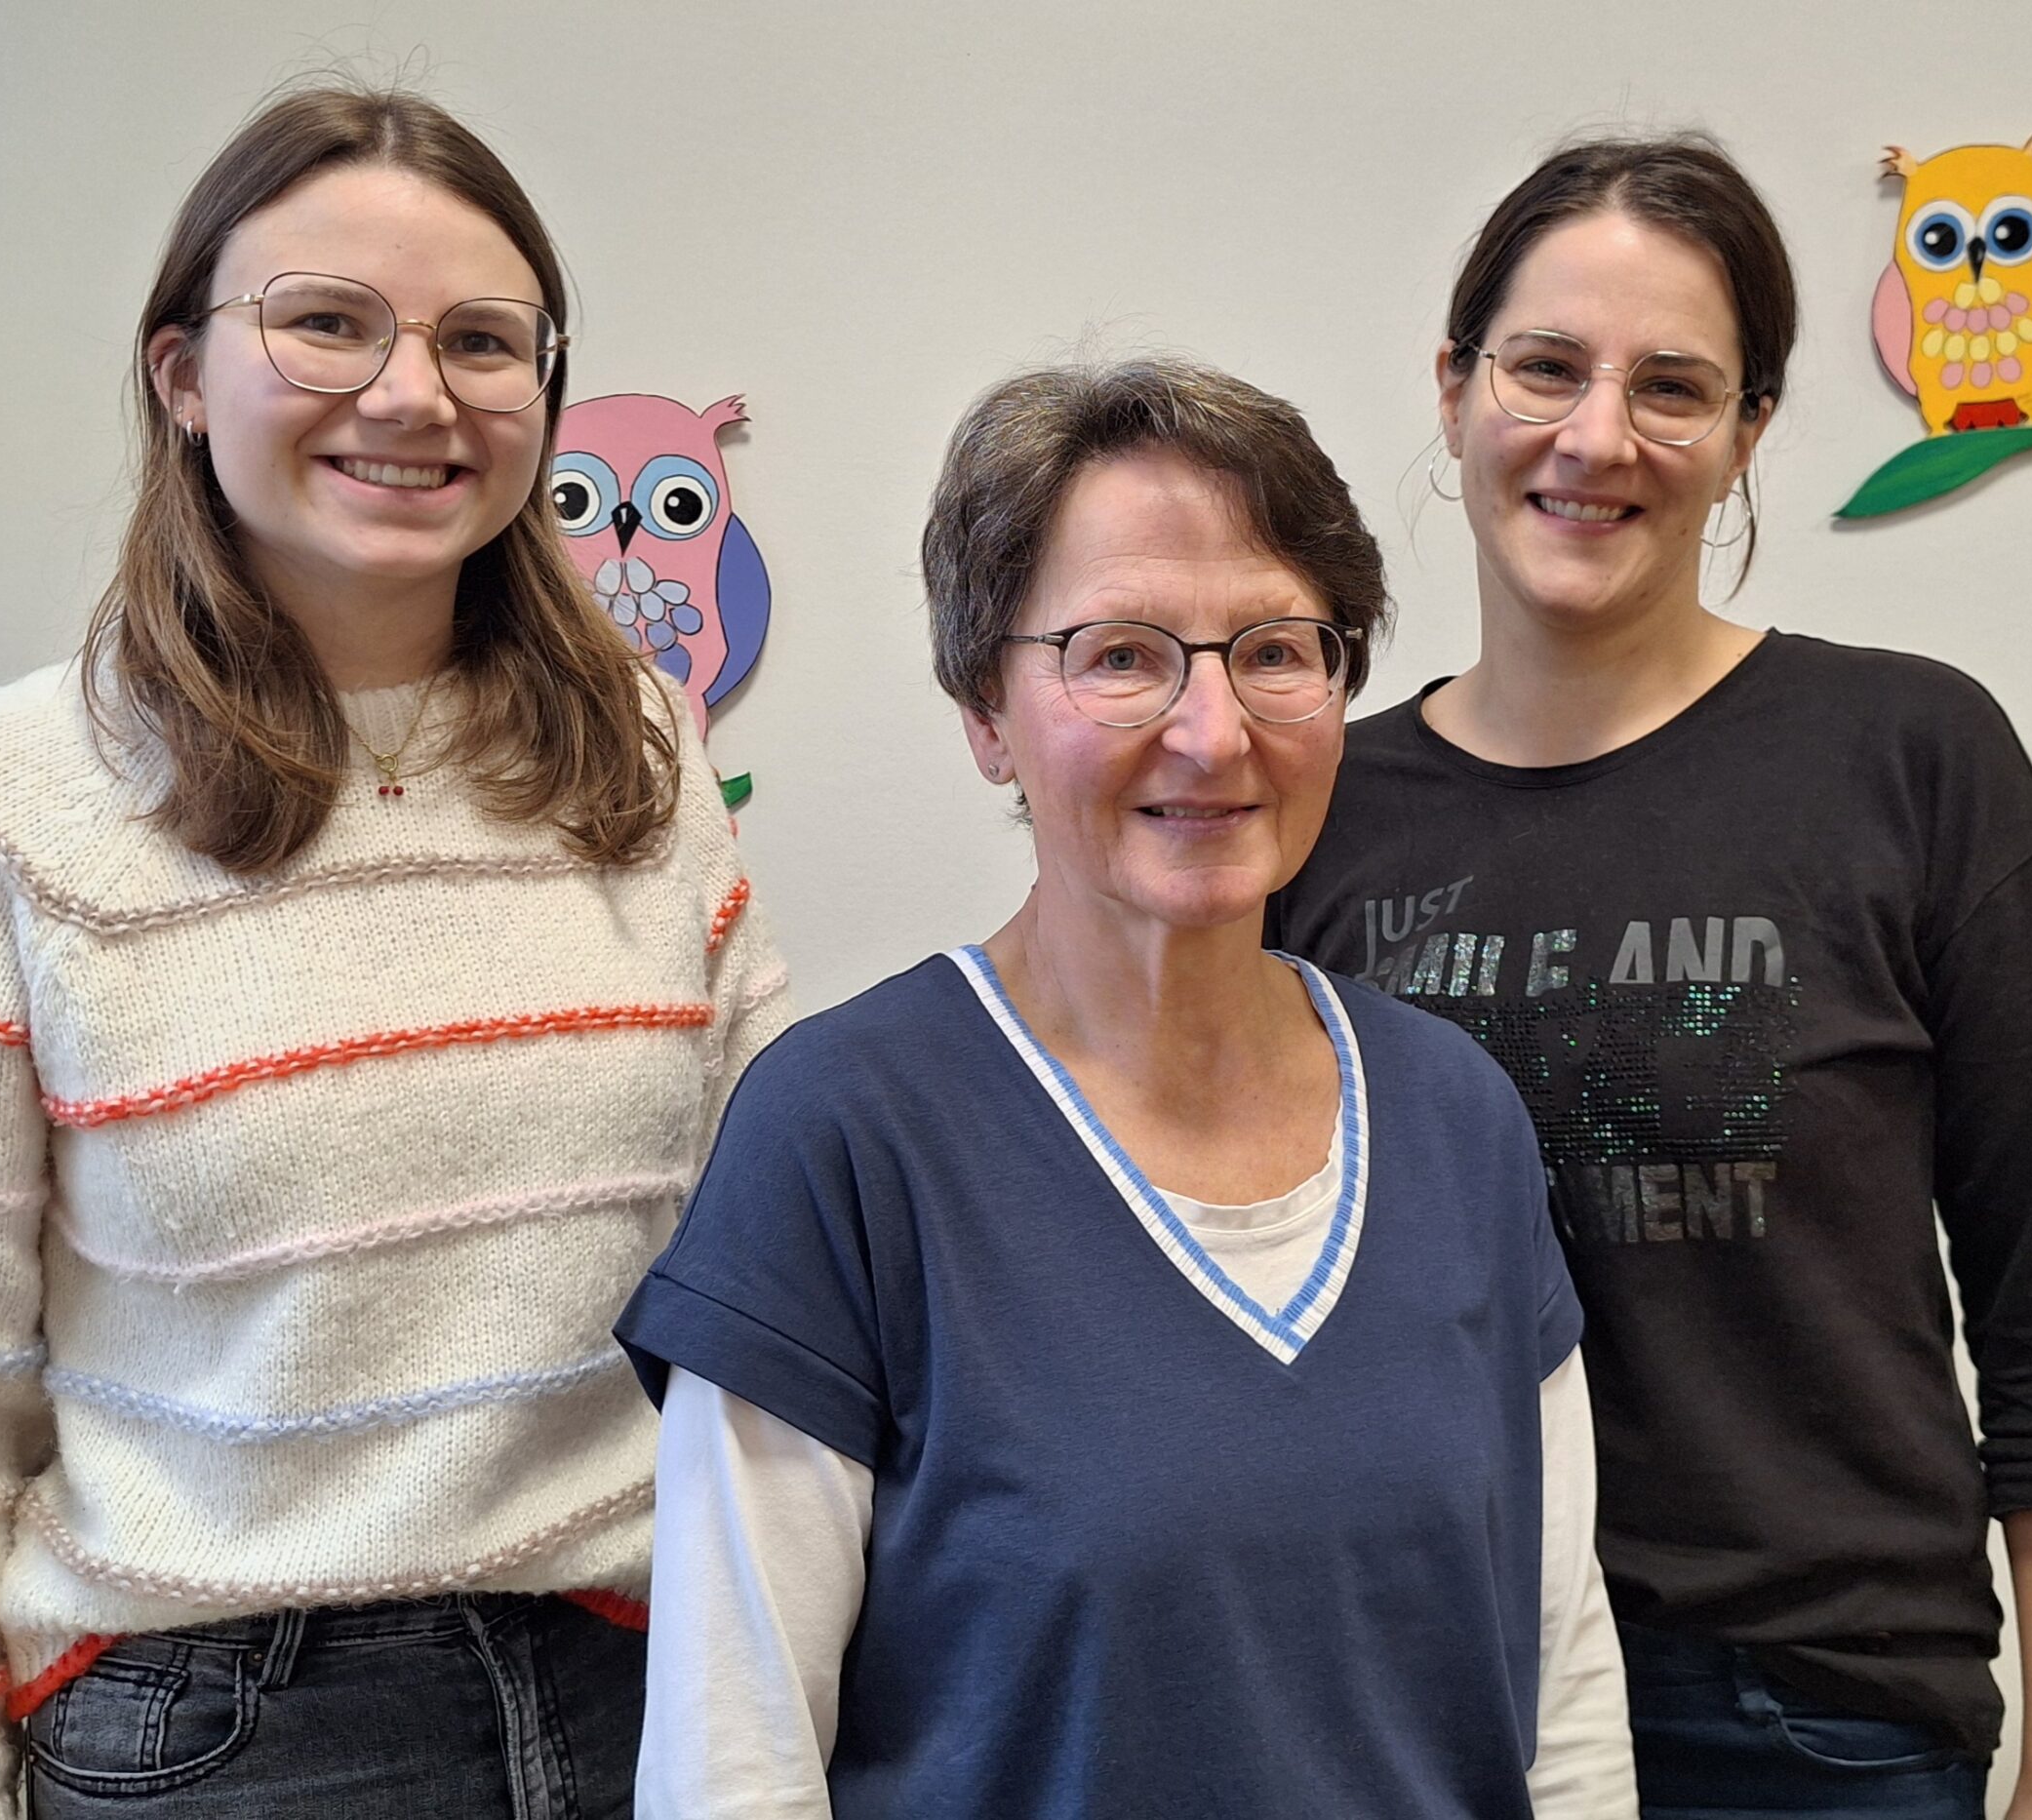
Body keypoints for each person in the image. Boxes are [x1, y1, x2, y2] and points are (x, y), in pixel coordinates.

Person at [0, 86, 788, 1820]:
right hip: (223, 1731)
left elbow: (764, 1226)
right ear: (180, 372)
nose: (412, 393)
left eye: (483, 340)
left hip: (639, 1679)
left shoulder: (637, 749)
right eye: (326, 322)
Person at [1268, 135, 2032, 1819]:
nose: (1597, 435)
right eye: (1545, 366)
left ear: (1751, 428)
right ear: (1456, 386)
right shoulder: (1313, 815)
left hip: (1812, 1726)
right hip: (1416, 1701)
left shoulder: (1911, 756)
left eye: (1674, 386)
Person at [617, 358, 1637, 1818]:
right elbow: (736, 1761)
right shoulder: (845, 1137)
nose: (1215, 733)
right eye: (1123, 654)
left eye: (1278, 649)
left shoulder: (1456, 1117)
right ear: (986, 710)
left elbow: (1563, 1688)